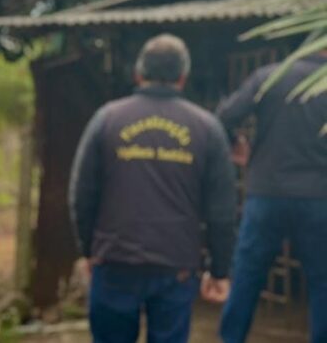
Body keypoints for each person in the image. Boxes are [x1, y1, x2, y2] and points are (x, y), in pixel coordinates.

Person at [69, 34, 237, 343]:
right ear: (183, 77)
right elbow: (222, 210)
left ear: (138, 74)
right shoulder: (206, 128)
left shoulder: (107, 119)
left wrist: (89, 251)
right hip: (176, 265)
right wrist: (219, 269)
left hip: (115, 260)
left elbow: (82, 195)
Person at [217, 54, 327, 343]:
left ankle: (231, 338)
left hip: (267, 193)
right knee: (322, 281)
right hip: (319, 196)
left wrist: (236, 143)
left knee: (247, 276)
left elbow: (224, 117)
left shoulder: (270, 76)